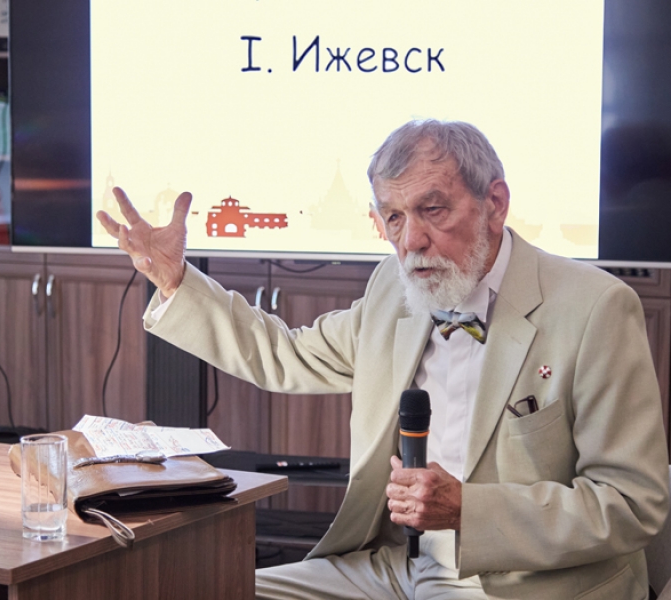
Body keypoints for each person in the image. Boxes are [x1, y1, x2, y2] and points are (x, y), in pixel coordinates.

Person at [97, 120, 670, 599]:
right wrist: (174, 280)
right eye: (393, 217)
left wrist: (469, 509)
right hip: (397, 566)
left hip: (527, 584)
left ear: (494, 204)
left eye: (432, 209)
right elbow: (284, 354)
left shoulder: (593, 307)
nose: (410, 241)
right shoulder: (393, 290)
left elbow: (632, 504)